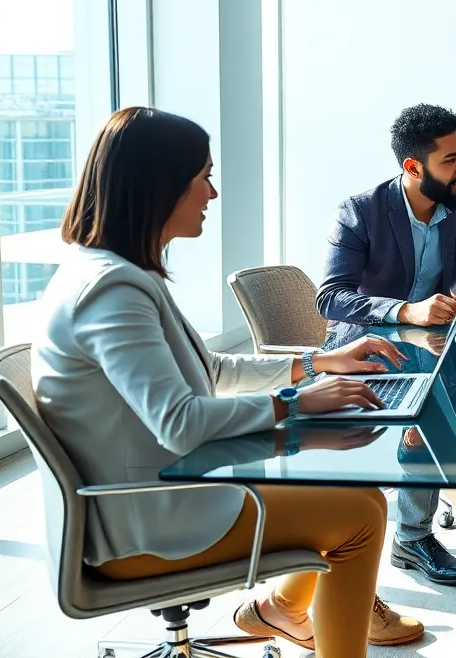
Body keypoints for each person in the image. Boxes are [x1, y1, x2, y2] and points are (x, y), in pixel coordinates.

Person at [30, 106, 426, 657]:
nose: (212, 194)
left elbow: (211, 372)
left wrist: (317, 364)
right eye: (203, 177)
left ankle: (281, 610)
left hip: (158, 498)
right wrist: (295, 403)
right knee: (360, 514)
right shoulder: (112, 291)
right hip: (146, 522)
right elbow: (180, 422)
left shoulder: (117, 273)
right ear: (159, 187)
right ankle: (294, 619)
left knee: (357, 500)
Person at [317, 102, 456, 587]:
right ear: (413, 167)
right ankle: (411, 535)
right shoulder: (360, 211)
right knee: (431, 412)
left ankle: (429, 514)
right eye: (451, 160)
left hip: (436, 348)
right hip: (368, 346)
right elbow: (331, 297)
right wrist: (405, 311)